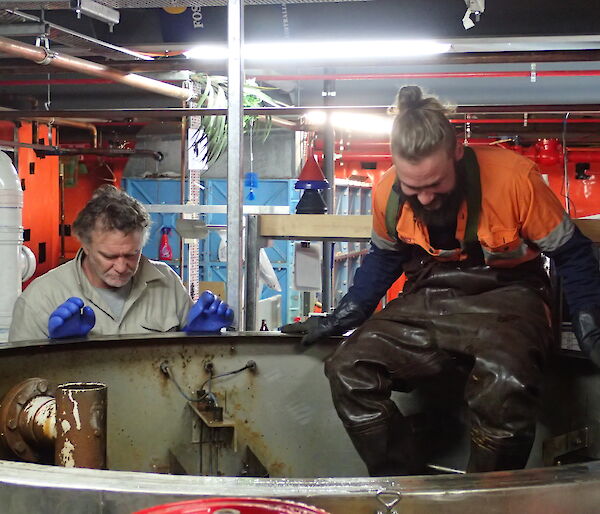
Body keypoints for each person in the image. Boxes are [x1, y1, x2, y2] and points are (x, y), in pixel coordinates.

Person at [282, 86, 600, 475]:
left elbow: (572, 252)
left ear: (457, 153)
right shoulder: (388, 193)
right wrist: (348, 313)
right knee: (348, 369)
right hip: (431, 295)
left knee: (505, 383)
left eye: (436, 184)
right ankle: (405, 490)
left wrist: (589, 325)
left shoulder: (514, 179)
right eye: (414, 188)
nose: (427, 198)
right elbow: (385, 258)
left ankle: (483, 503)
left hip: (510, 296)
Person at [9, 185, 232, 342]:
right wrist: (58, 352)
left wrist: (202, 339)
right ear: (85, 246)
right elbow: (20, 388)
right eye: (109, 256)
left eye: (132, 255)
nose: (122, 266)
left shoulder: (167, 283)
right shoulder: (41, 297)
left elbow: (192, 371)